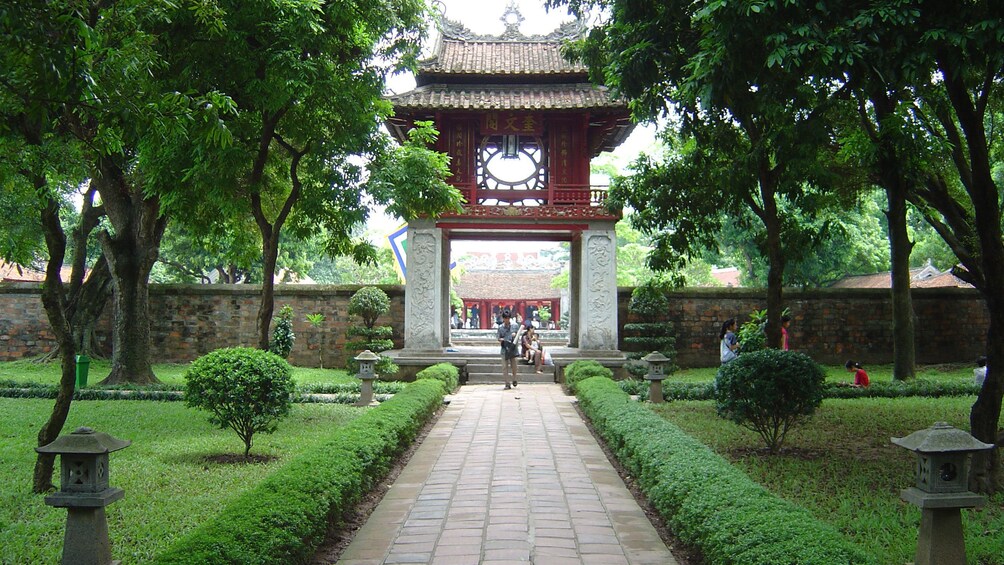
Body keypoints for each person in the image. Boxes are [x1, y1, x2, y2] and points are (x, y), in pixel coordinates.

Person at [497, 310, 521, 389]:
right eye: (505, 318)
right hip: (504, 349)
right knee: (504, 367)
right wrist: (502, 339)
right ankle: (507, 383)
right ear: (503, 318)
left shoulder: (515, 326)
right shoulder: (500, 328)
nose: (506, 320)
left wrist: (514, 336)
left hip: (513, 349)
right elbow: (498, 338)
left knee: (514, 366)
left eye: (508, 318)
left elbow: (518, 336)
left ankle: (514, 378)